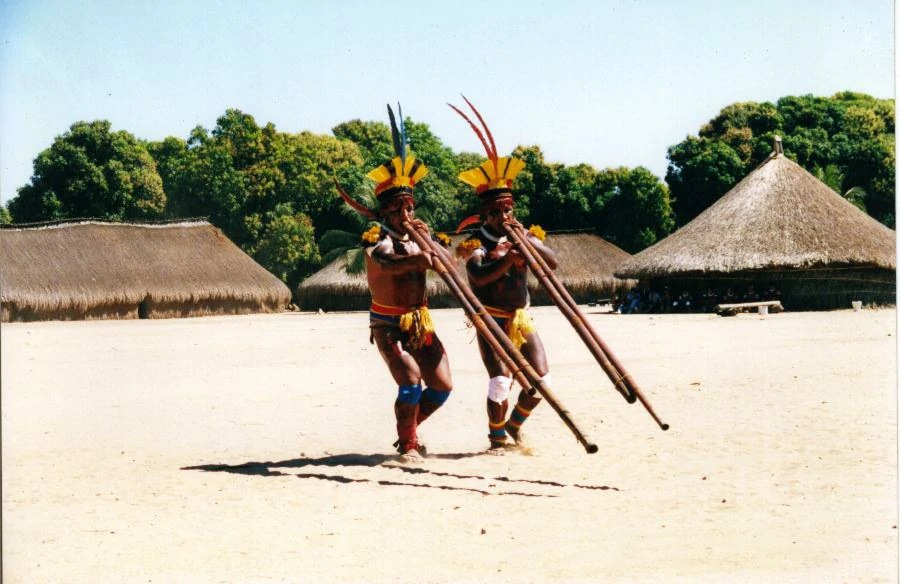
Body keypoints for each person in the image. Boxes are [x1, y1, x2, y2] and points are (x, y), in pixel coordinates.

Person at [336, 104, 453, 463]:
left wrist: (431, 244)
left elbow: (448, 268)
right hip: (388, 324)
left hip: (419, 322)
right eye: (399, 210)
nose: (406, 216)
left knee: (443, 387)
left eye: (410, 209)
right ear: (385, 213)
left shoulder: (422, 237)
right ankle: (408, 446)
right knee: (411, 380)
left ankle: (409, 431)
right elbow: (392, 263)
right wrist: (423, 254)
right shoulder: (377, 241)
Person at [450, 97, 557, 454]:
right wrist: (508, 257)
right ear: (486, 215)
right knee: (500, 382)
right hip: (490, 319)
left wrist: (525, 243)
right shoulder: (475, 243)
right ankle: (496, 439)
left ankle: (514, 425)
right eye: (497, 212)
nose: (505, 216)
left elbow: (552, 264)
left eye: (509, 209)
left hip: (521, 316)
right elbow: (478, 279)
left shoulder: (524, 236)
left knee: (542, 379)